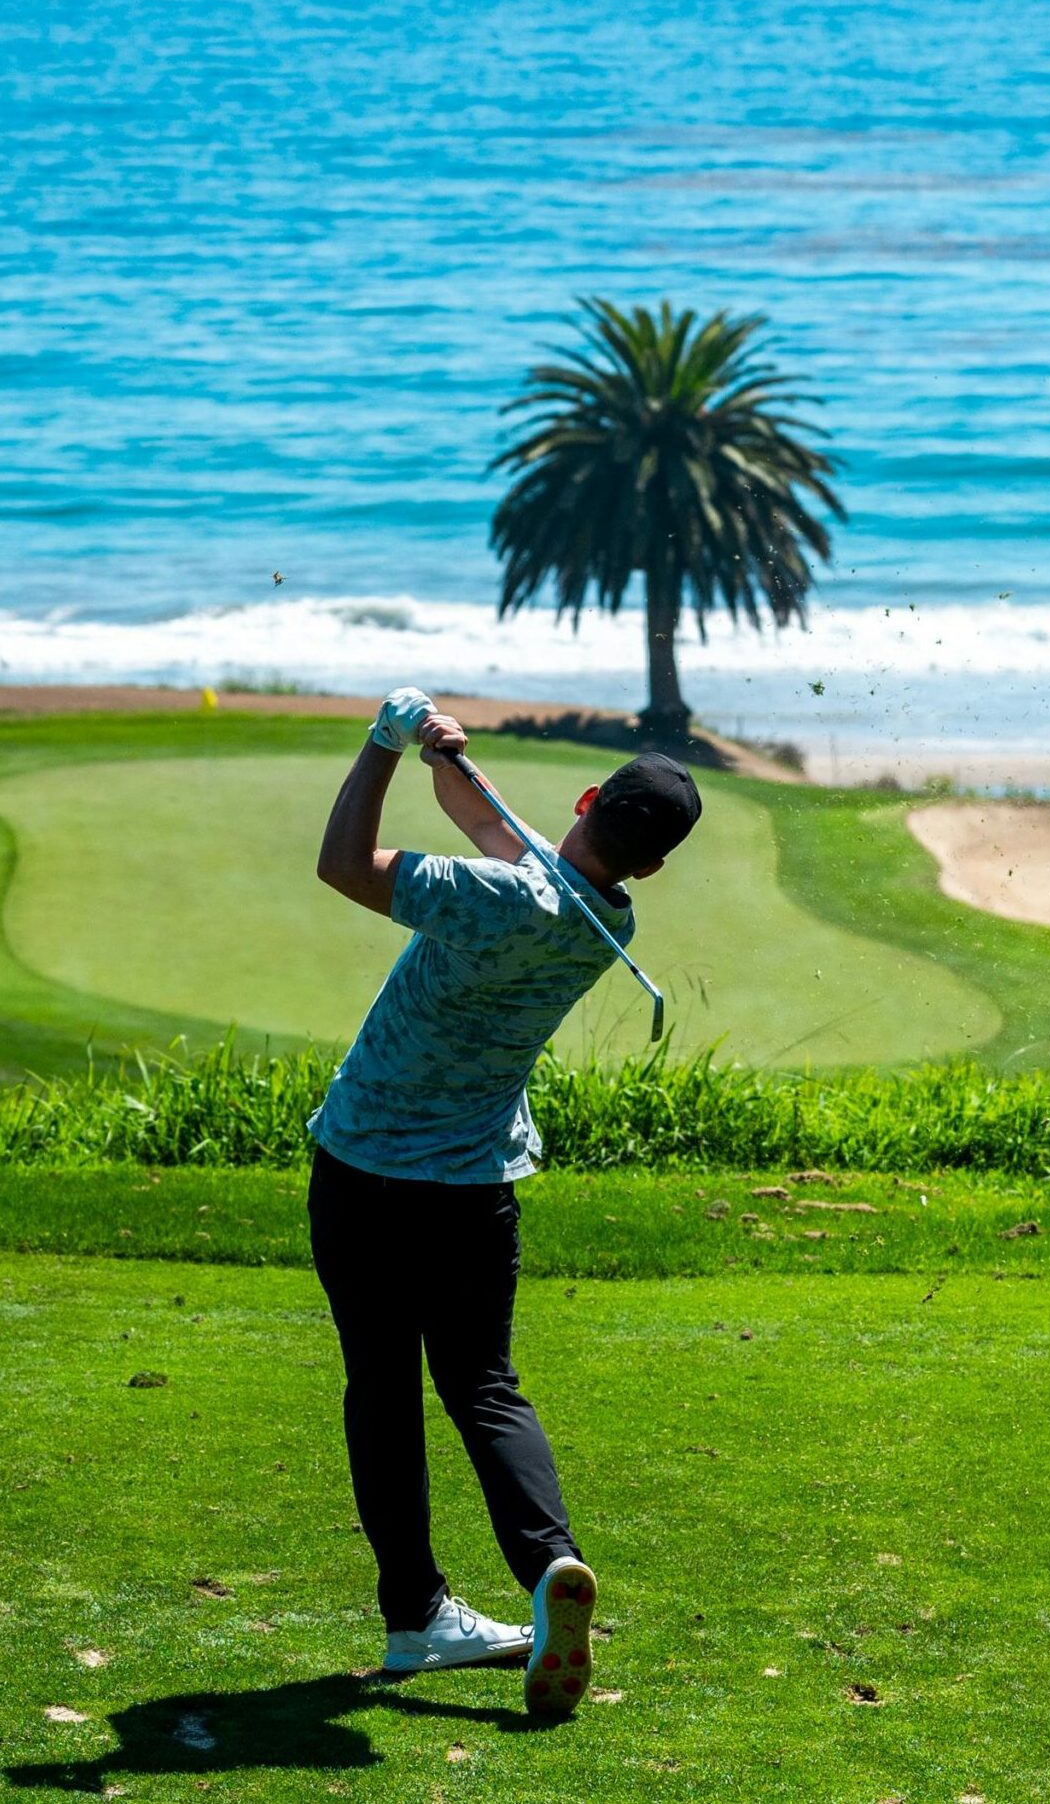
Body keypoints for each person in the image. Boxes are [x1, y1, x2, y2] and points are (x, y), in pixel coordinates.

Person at [308, 687, 702, 1717]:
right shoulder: (605, 916)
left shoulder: (488, 898)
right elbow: (488, 819)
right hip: (473, 1187)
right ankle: (550, 1565)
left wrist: (380, 745)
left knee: (382, 1390)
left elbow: (344, 867)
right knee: (482, 1385)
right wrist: (445, 750)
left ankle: (415, 1616)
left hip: (359, 1171)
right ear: (651, 862)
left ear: (584, 797)